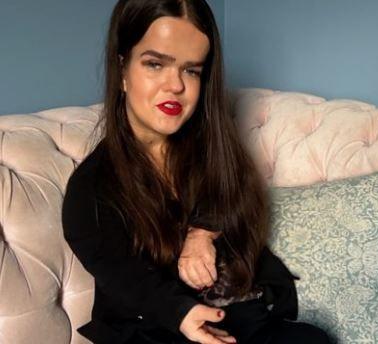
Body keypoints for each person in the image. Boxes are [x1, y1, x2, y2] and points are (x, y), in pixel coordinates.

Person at [62, 0, 331, 343]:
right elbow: (122, 275)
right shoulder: (91, 188)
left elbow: (236, 198)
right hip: (155, 329)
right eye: (155, 64)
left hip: (239, 318)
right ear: (123, 69)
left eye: (191, 70)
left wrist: (202, 233)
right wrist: (181, 313)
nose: (175, 85)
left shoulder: (213, 148)